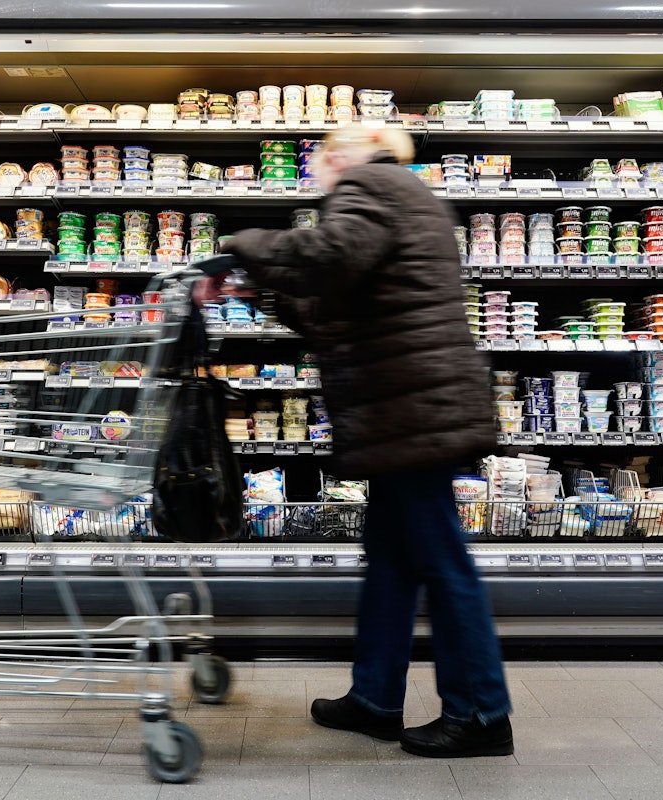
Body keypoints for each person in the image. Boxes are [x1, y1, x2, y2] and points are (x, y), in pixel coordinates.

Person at [199, 125, 512, 758]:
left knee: (442, 562)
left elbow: (331, 254)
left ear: (342, 154)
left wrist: (239, 246)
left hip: (413, 410)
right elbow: (334, 310)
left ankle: (482, 713)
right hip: (408, 410)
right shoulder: (400, 195)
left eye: (320, 159)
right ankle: (374, 698)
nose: (316, 173)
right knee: (392, 559)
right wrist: (261, 288)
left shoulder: (372, 183)